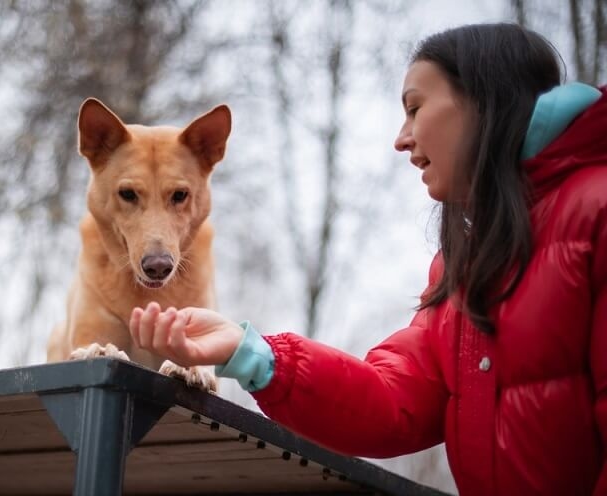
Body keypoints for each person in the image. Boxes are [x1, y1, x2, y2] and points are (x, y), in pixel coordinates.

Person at [128, 23, 607, 496]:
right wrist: (248, 353)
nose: (402, 139)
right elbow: (393, 402)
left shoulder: (597, 214)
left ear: (485, 102)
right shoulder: (459, 268)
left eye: (415, 108)